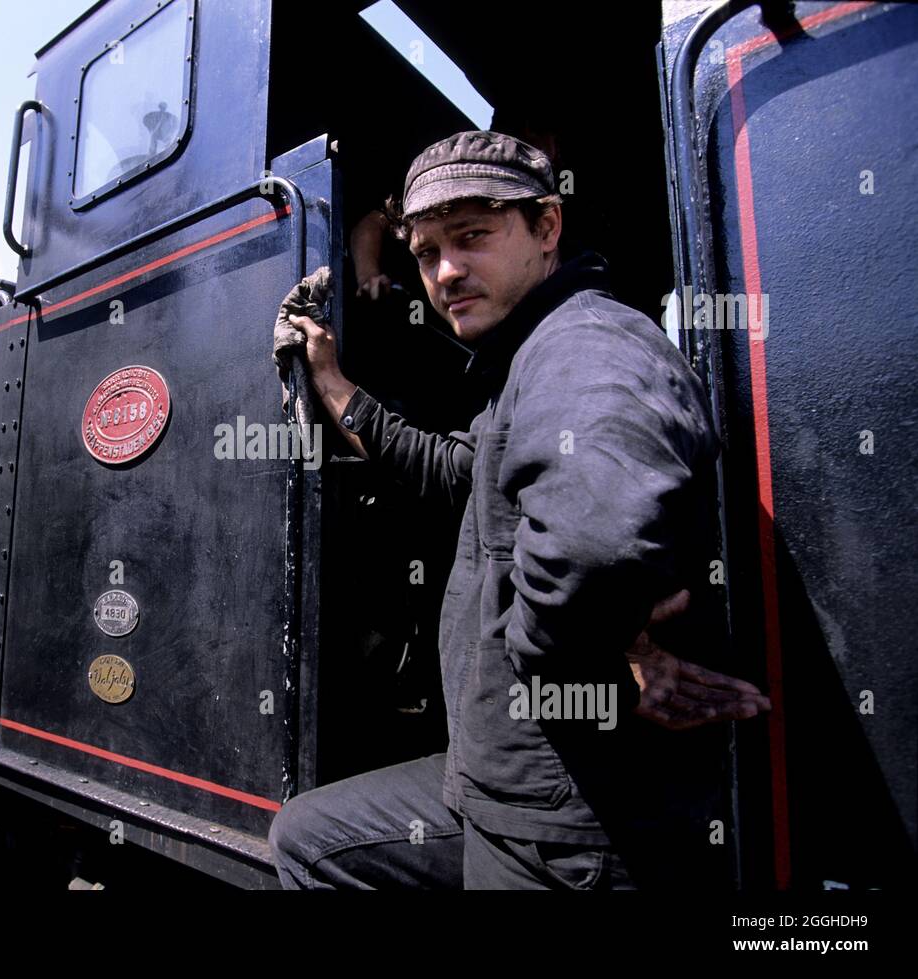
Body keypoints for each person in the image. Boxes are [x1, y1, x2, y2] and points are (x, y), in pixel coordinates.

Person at [269, 130, 771, 889]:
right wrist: (329, 377)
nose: (446, 271)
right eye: (427, 250)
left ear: (545, 227)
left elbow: (597, 545)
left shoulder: (584, 345)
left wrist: (603, 649)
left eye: (473, 236)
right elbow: (449, 470)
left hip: (561, 826)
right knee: (309, 837)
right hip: (504, 784)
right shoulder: (528, 360)